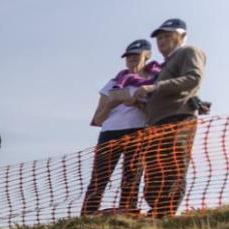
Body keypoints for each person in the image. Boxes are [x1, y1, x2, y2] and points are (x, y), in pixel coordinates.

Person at [133, 18, 207, 217]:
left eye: (167, 36)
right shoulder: (165, 65)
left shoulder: (189, 52)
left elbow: (193, 78)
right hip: (157, 123)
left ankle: (165, 213)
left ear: (181, 36)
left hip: (177, 119)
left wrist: (156, 86)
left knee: (172, 166)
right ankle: (157, 210)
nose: (161, 41)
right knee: (154, 167)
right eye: (159, 37)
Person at [81, 40, 160, 215]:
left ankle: (127, 214)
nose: (131, 59)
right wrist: (111, 103)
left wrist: (137, 103)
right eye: (128, 56)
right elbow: (97, 119)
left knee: (132, 176)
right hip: (109, 133)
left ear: (147, 56)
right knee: (99, 177)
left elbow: (156, 115)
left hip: (138, 131)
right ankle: (86, 217)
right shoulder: (112, 84)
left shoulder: (155, 83)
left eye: (136, 55)